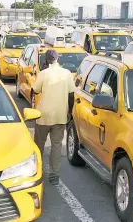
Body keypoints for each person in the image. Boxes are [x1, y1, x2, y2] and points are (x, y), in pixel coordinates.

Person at [32, 49, 75, 185]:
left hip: (43, 115)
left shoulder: (43, 73)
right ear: (58, 59)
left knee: (39, 145)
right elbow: (71, 95)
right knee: (56, 146)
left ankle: (36, 172)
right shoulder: (67, 73)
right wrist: (69, 111)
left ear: (46, 60)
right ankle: (54, 175)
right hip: (60, 115)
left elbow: (36, 90)